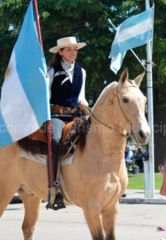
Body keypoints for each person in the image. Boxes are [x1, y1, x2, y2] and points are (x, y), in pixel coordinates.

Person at [47, 36, 88, 208]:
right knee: (55, 141)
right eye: (69, 49)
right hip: (56, 116)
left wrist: (87, 109)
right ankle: (53, 187)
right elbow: (46, 96)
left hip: (74, 116)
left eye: (75, 49)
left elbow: (81, 98)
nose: (73, 52)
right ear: (61, 52)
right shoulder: (51, 71)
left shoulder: (82, 71)